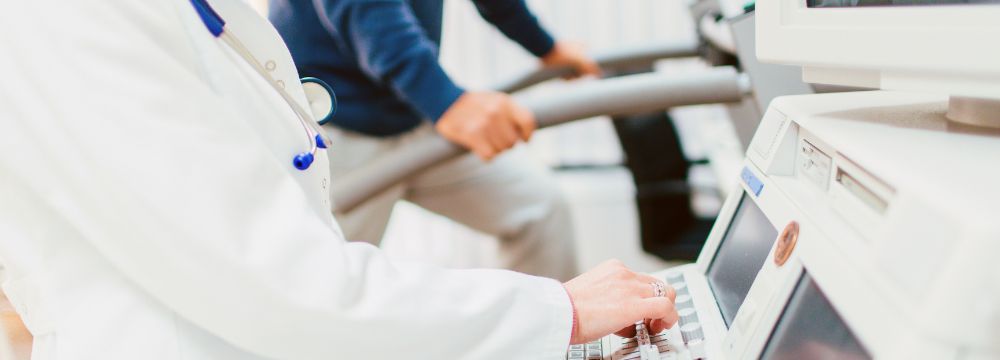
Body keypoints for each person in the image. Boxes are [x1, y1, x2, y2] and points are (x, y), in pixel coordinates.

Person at [0, 0, 676, 359]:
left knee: (538, 206)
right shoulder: (68, 19)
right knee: (336, 276)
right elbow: (290, 287)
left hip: (408, 118)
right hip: (349, 124)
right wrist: (558, 311)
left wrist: (552, 51)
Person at [269, 0, 602, 281]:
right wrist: (446, 102)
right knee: (322, 280)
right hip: (334, 132)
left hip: (413, 115)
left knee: (539, 209)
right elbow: (367, 10)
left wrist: (546, 47)